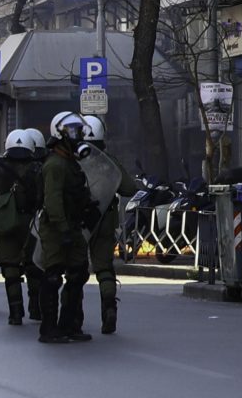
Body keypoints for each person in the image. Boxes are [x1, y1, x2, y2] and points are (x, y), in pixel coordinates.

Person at [38, 112, 95, 343]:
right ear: (59, 134)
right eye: (73, 131)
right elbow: (53, 201)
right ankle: (49, 329)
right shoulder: (55, 165)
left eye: (78, 131)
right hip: (56, 229)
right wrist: (62, 230)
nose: (78, 135)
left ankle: (69, 324)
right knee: (52, 277)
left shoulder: (71, 164)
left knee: (78, 274)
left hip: (72, 226)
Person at [82, 115, 139, 335]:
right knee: (104, 268)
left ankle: (74, 316)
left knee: (75, 269)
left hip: (79, 222)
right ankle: (109, 308)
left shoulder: (72, 159)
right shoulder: (109, 161)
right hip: (104, 221)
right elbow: (128, 188)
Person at [0, 130, 42, 325]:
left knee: (10, 267)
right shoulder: (38, 169)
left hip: (5, 223)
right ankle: (36, 308)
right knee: (34, 266)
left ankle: (15, 312)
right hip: (32, 224)